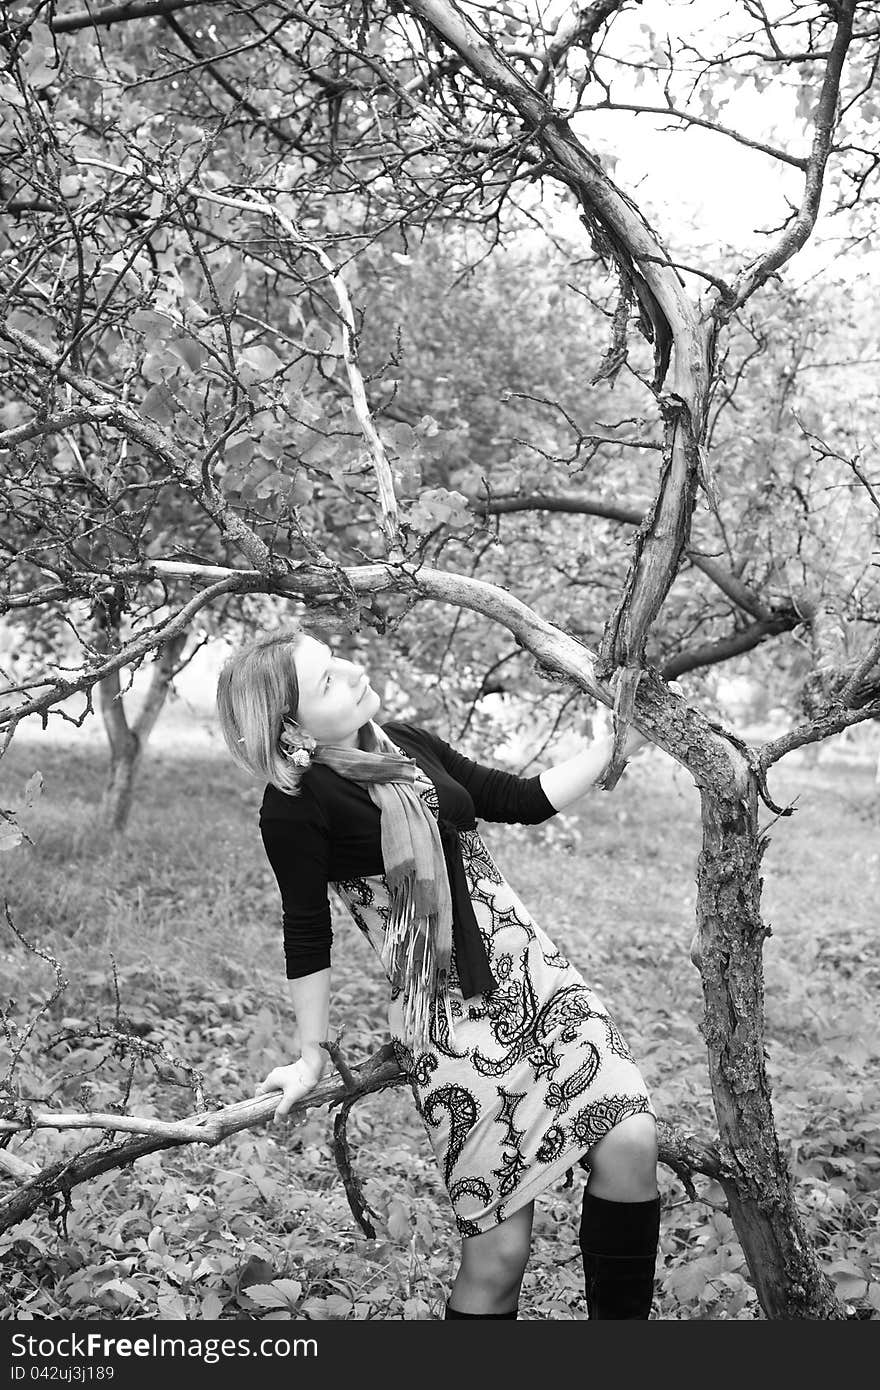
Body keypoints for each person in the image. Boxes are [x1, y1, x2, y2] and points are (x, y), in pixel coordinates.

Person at [216, 623, 662, 1321]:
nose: (352, 670)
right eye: (326, 680)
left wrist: (608, 748)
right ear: (289, 726)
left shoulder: (404, 742)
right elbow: (306, 931)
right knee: (500, 1256)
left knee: (632, 1141)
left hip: (538, 981)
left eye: (337, 659)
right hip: (453, 1023)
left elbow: (518, 799)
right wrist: (308, 1057)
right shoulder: (295, 807)